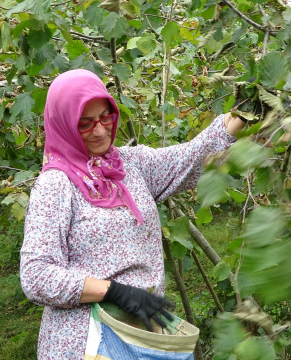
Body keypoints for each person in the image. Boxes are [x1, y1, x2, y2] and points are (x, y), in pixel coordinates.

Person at [20, 69, 247, 359]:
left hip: (141, 333)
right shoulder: (56, 185)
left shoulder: (130, 165)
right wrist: (116, 292)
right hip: (85, 341)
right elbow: (36, 276)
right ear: (63, 124)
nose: (101, 131)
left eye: (105, 117)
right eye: (85, 124)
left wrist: (238, 118)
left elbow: (190, 158)